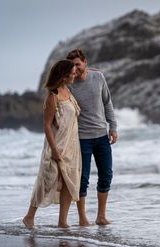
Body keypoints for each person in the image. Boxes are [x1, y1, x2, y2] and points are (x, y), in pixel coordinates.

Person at [23, 60, 81, 228]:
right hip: (56, 146)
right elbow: (47, 125)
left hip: (71, 146)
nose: (75, 75)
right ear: (63, 76)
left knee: (69, 184)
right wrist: (54, 149)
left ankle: (62, 221)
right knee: (47, 180)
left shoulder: (68, 91)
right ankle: (29, 216)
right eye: (72, 73)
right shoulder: (53, 96)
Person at [66, 48, 118, 226]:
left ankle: (101, 216)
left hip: (102, 135)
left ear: (85, 62)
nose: (75, 68)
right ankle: (82, 219)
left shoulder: (98, 77)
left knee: (106, 175)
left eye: (78, 64)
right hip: (81, 139)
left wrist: (113, 126)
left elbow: (107, 102)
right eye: (72, 65)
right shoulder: (68, 84)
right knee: (82, 179)